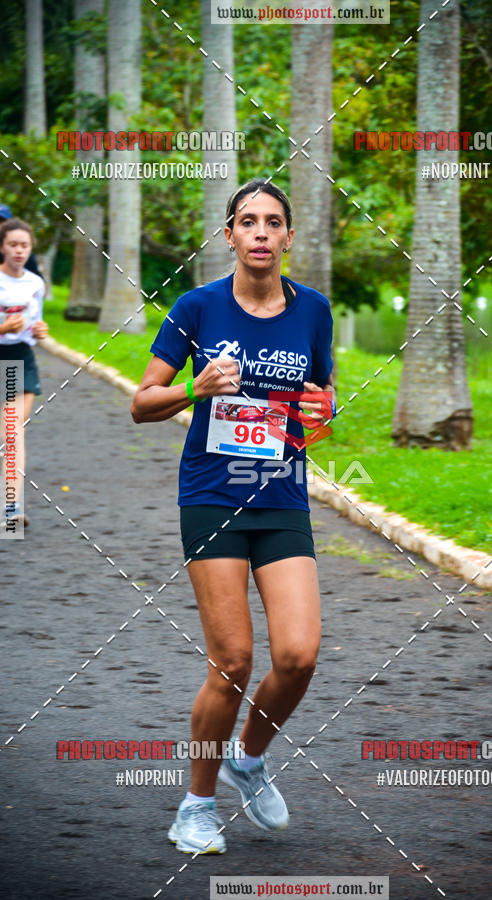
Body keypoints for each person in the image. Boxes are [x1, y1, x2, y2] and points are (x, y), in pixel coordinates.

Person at [131, 179, 335, 854]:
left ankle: (248, 759)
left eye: (272, 222)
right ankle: (195, 806)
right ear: (229, 235)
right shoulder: (197, 307)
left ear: (288, 237)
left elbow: (321, 395)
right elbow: (142, 402)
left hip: (281, 494)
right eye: (248, 221)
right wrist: (196, 388)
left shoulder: (314, 310)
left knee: (298, 655)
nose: (260, 232)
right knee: (233, 662)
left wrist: (323, 410)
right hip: (213, 497)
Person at [0, 218, 48, 527]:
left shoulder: (35, 283)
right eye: (13, 245)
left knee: (13, 430)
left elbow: (34, 325)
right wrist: (3, 328)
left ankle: (11, 507)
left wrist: (39, 330)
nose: (19, 250)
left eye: (24, 245)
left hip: (20, 359)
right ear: (2, 247)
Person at [0, 204, 43, 279]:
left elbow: (36, 281)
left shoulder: (22, 254)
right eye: (13, 245)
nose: (18, 250)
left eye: (2, 222)